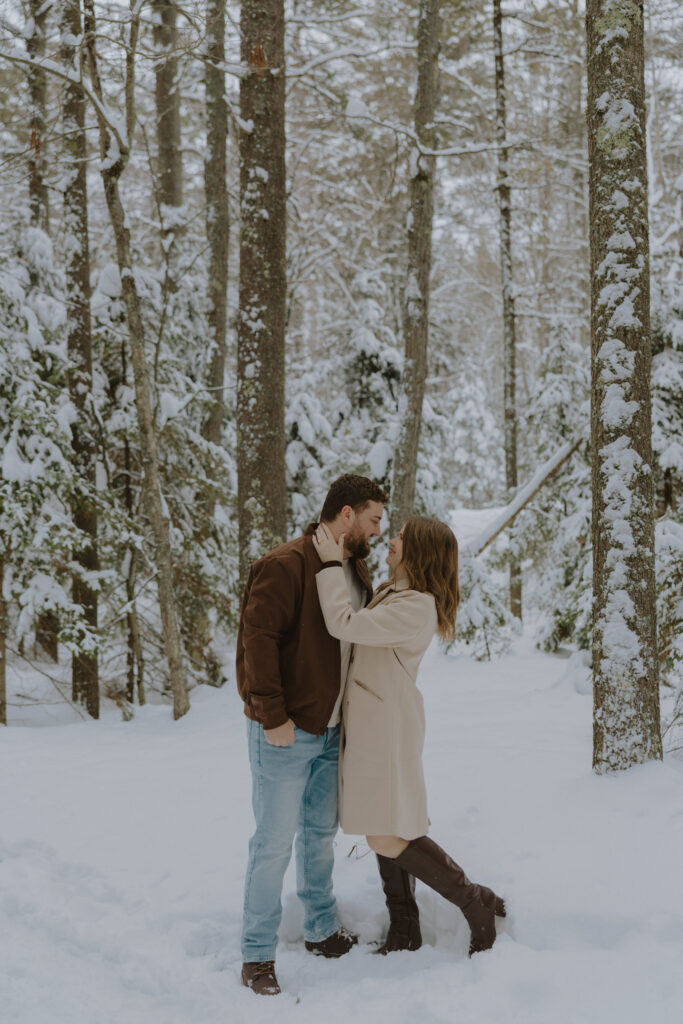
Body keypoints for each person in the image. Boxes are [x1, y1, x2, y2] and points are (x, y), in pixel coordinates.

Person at [313, 515, 506, 958]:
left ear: (418, 551)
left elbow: (343, 622)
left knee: (387, 835)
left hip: (387, 727)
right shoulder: (396, 593)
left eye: (401, 536)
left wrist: (328, 565)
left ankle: (472, 901)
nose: (392, 540)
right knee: (388, 826)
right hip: (375, 722)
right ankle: (405, 929)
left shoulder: (416, 604)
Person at [236, 474, 388, 996]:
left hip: (331, 732)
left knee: (319, 836)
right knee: (274, 843)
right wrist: (271, 715)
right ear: (347, 514)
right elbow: (256, 643)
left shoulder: (352, 567)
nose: (376, 530)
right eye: (373, 519)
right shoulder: (285, 564)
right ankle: (256, 954)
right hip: (286, 730)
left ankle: (320, 927)